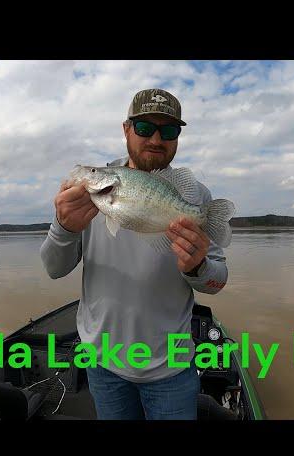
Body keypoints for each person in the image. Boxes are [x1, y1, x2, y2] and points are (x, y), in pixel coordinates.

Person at [40, 88, 229, 420]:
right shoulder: (89, 193)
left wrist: (198, 266)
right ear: (126, 129)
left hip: (171, 369)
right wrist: (63, 227)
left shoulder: (197, 195)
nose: (156, 139)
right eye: (144, 128)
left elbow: (217, 283)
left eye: (168, 131)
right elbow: (53, 269)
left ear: (177, 137)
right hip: (102, 363)